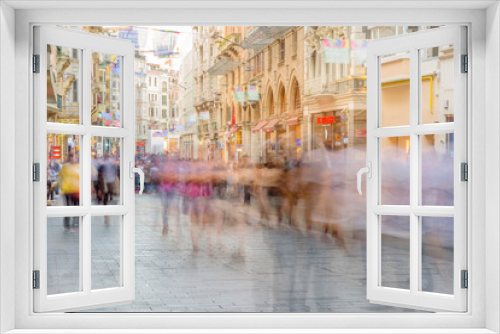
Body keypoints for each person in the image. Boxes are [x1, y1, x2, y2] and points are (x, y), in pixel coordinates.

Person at [57, 152, 79, 230]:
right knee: (68, 206)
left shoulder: (78, 166)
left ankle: (75, 223)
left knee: (76, 207)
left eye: (74, 157)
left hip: (76, 190)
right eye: (71, 157)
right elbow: (60, 176)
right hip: (67, 190)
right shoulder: (65, 167)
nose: (73, 158)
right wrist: (60, 186)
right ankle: (66, 223)